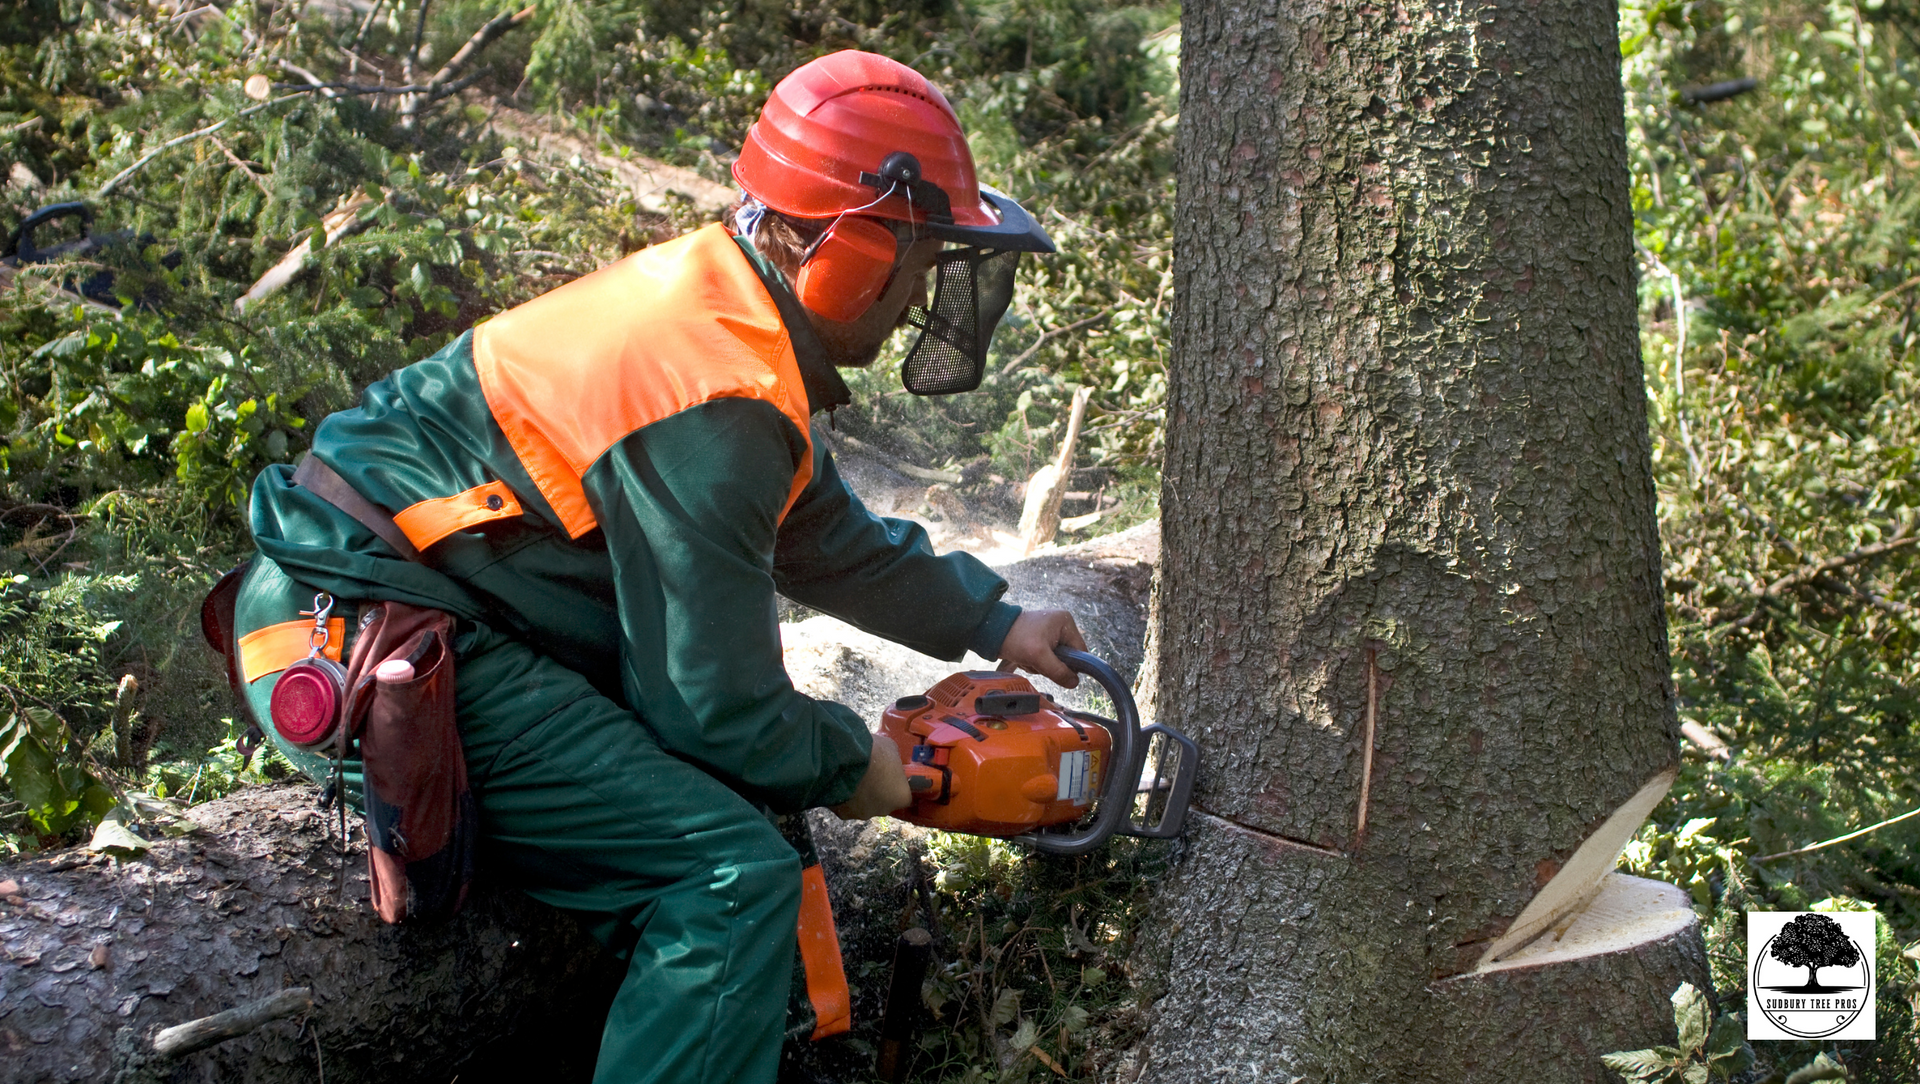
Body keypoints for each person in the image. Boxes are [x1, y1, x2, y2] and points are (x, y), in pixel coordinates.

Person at [222, 49, 1087, 1084]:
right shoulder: (716, 395)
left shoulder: (725, 323)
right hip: (375, 637)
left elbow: (820, 538)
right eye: (918, 264)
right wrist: (873, 770)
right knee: (726, 880)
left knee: (734, 820)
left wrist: (997, 621)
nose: (917, 300)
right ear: (852, 253)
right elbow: (714, 709)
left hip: (423, 607)